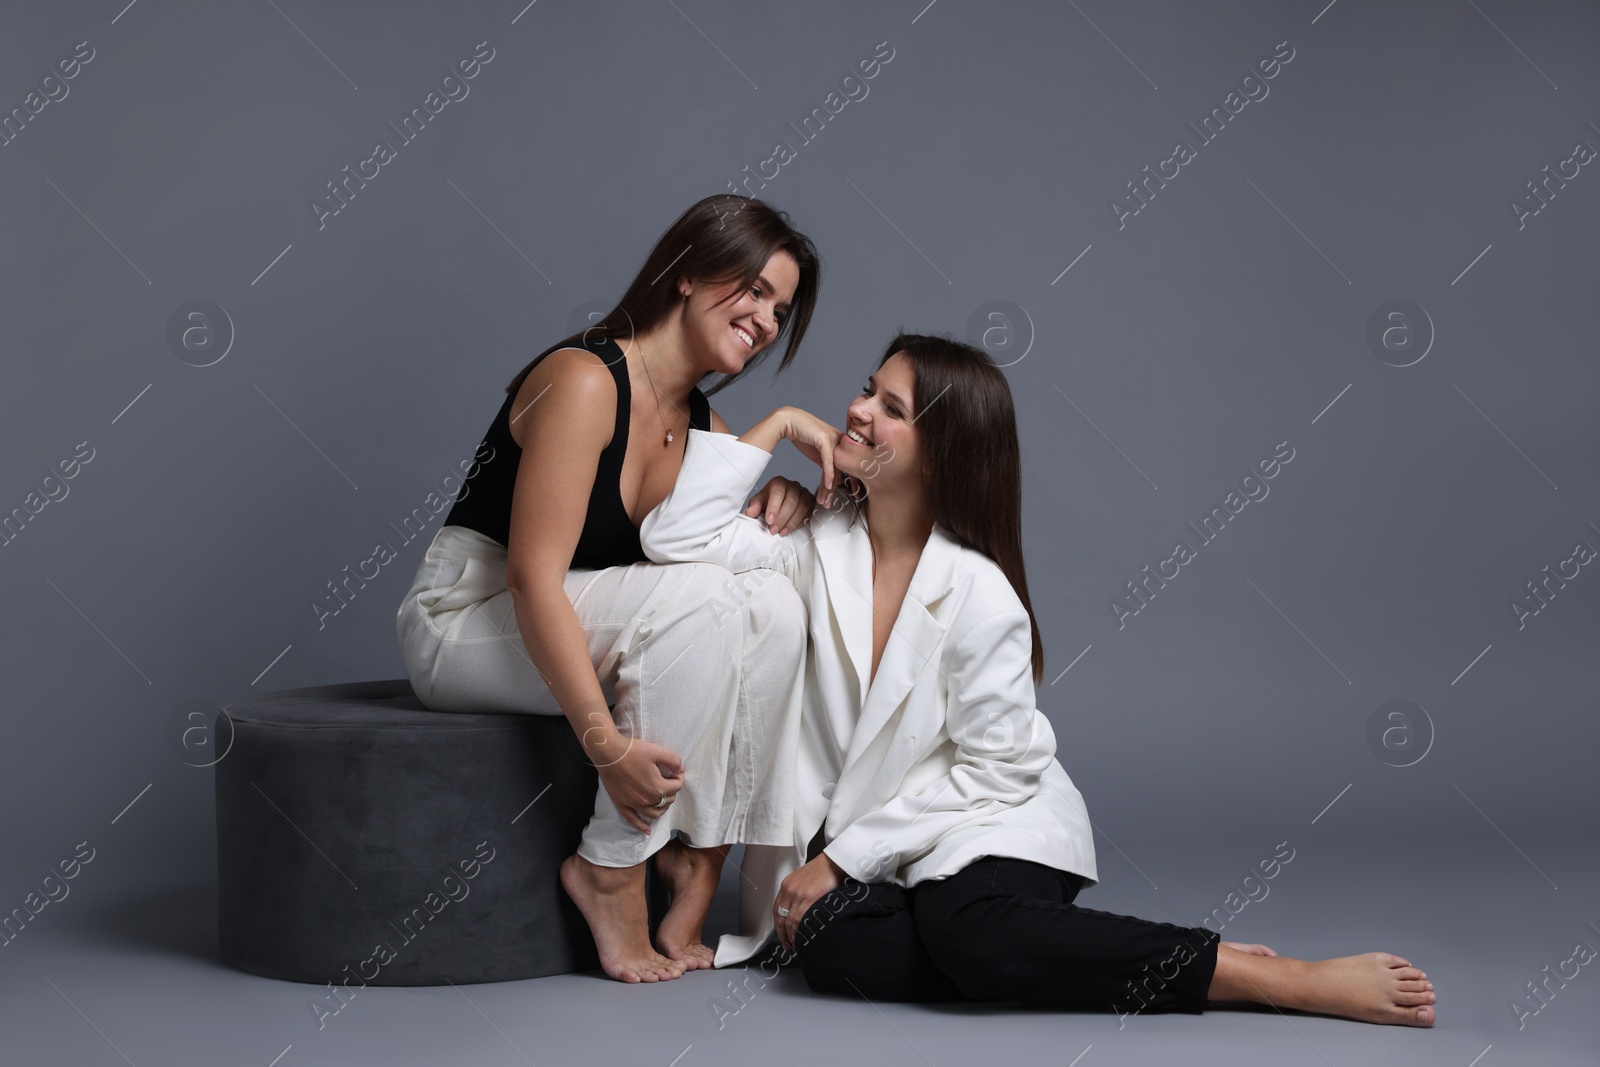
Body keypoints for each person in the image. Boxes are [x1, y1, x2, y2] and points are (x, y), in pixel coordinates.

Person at [638, 333, 1438, 1025]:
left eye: (891, 407)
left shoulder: (980, 591)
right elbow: (673, 536)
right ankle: (1018, 943)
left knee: (967, 931)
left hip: (990, 814)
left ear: (940, 450)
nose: (856, 411)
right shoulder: (813, 541)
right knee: (834, 947)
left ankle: (1264, 976)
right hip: (884, 844)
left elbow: (994, 768)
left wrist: (844, 861)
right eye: (864, 389)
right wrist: (774, 430)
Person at [395, 194, 823, 983]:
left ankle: (700, 858)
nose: (766, 320)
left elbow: (735, 570)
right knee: (706, 597)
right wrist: (604, 742)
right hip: (466, 617)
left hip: (577, 614)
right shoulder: (586, 379)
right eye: (754, 290)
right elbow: (532, 578)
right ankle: (612, 868)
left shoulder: (707, 430)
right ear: (690, 273)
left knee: (771, 603)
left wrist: (784, 494)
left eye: (781, 309)